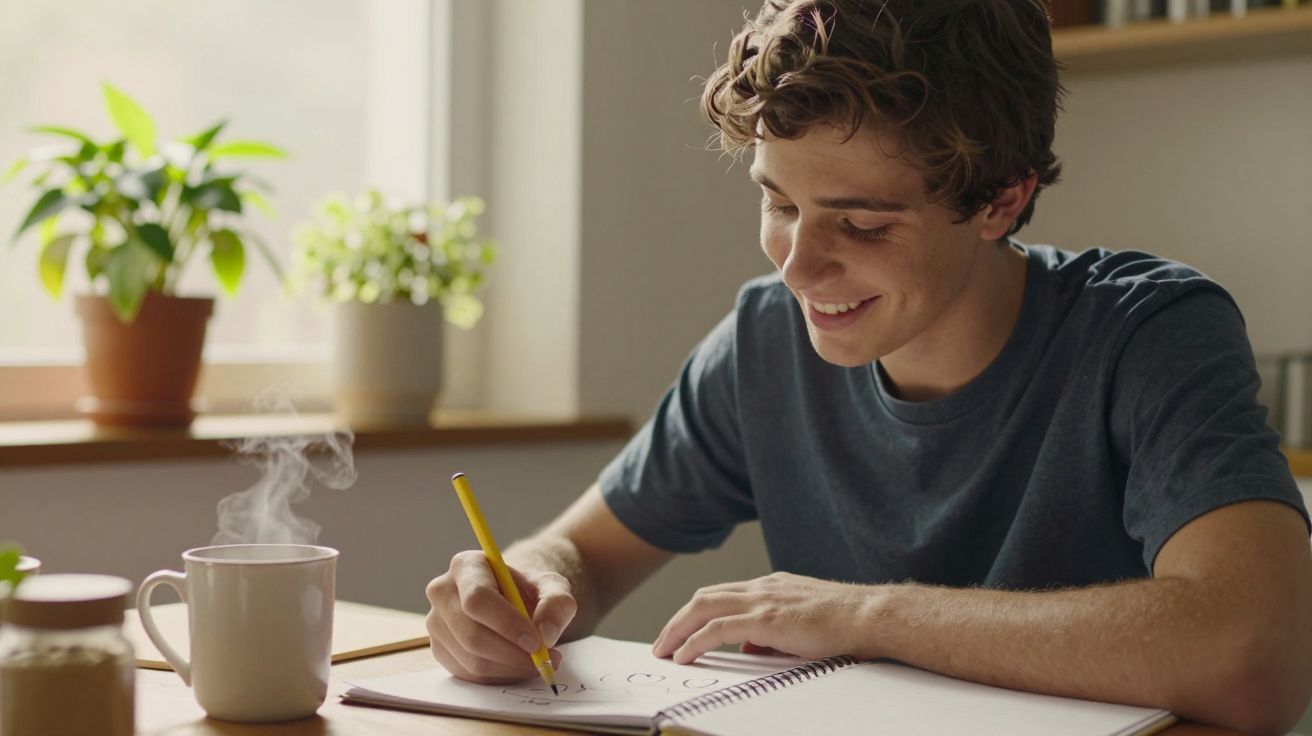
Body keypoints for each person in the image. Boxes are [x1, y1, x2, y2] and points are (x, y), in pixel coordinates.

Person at [425, 1, 1312, 732]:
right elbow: (581, 552)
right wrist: (526, 587)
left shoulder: (1149, 332)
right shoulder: (764, 342)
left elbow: (1255, 657)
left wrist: (862, 615)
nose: (797, 267)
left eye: (863, 225)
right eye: (779, 203)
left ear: (1002, 199)